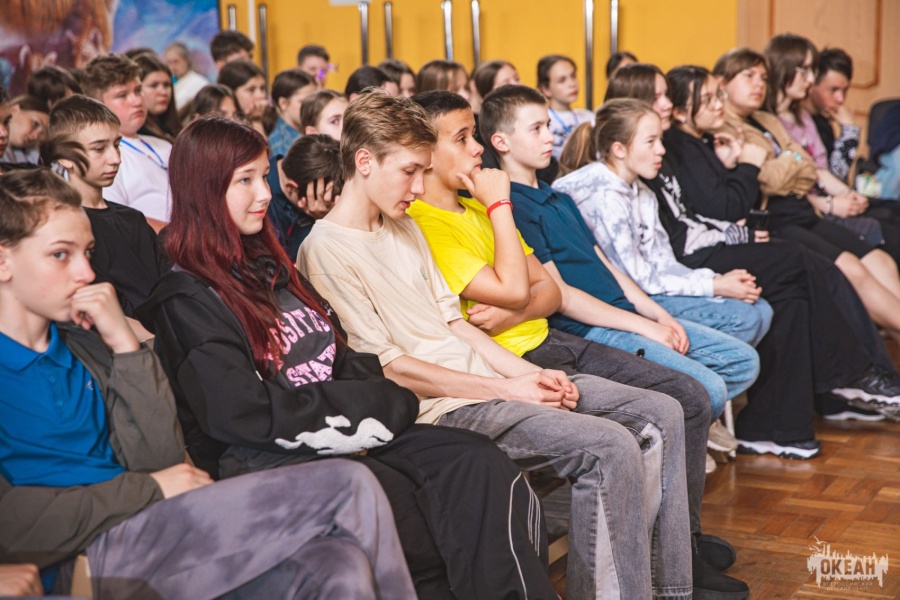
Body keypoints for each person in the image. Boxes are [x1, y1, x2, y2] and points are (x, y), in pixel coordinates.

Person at [136, 116, 556, 599]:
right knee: (434, 516)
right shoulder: (188, 298)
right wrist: (354, 419)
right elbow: (239, 414)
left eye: (263, 177)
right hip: (276, 456)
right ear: (205, 190)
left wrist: (382, 405)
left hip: (350, 429)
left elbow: (343, 355)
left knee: (479, 464)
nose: (265, 194)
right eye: (244, 181)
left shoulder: (271, 268)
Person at [299, 91, 696, 600]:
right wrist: (509, 389)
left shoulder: (403, 225)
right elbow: (390, 368)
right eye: (409, 171)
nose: (418, 186)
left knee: (659, 412)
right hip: (442, 407)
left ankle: (671, 589)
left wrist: (527, 376)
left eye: (422, 170)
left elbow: (457, 325)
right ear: (364, 161)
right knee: (610, 448)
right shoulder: (325, 249)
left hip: (487, 384)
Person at [0, 168, 418, 600]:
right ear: (3, 261)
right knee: (349, 485)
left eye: (87, 253)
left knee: (337, 566)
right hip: (85, 554)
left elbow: (157, 459)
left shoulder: (87, 349)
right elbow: (11, 523)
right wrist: (149, 490)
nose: (86, 273)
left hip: (145, 525)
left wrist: (126, 346)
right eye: (60, 255)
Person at [409, 89, 747, 598]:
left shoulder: (477, 209)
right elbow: (518, 290)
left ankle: (678, 556)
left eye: (474, 135)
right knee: (666, 409)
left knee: (688, 398)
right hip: (516, 359)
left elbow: (547, 292)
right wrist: (501, 210)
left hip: (550, 337)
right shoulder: (432, 221)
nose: (476, 148)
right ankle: (671, 569)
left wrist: (516, 302)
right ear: (426, 152)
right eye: (462, 138)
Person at [607, 62, 898, 424]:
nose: (667, 104)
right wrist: (749, 168)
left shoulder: (684, 146)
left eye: (667, 95)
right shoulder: (666, 152)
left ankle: (783, 422)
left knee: (803, 286)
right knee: (802, 262)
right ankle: (853, 377)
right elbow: (714, 215)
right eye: (659, 97)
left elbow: (803, 167)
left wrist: (756, 173)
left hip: (723, 241)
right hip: (698, 261)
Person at [710, 48, 900, 342]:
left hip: (804, 210)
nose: (759, 83)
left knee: (880, 260)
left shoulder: (766, 120)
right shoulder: (723, 128)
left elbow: (809, 166)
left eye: (763, 77)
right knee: (852, 268)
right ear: (722, 82)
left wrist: (787, 163)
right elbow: (768, 180)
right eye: (749, 76)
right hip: (778, 219)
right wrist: (792, 162)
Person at [45, 94, 167, 335]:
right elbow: (96, 312)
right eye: (99, 149)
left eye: (117, 145)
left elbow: (167, 288)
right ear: (65, 157)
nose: (115, 158)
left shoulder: (133, 219)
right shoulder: (63, 229)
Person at [82, 54, 171, 231]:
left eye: (138, 90)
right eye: (122, 95)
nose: (137, 101)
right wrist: (180, 236)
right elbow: (118, 220)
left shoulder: (164, 145)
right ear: (98, 105)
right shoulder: (102, 159)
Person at [268, 134, 341, 259]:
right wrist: (322, 222)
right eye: (326, 200)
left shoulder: (302, 171)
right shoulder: (262, 204)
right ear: (290, 188)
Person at [803, 47, 859, 184]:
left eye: (844, 90)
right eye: (833, 90)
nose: (841, 99)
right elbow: (831, 180)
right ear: (812, 85)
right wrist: (849, 132)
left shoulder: (823, 121)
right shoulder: (797, 122)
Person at [538, 55, 595, 159]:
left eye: (573, 76)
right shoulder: (541, 119)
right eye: (562, 80)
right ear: (546, 89)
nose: (572, 84)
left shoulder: (589, 117)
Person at [269, 69, 317, 156]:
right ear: (283, 103)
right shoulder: (280, 144)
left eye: (314, 101)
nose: (312, 106)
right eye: (305, 101)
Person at [134, 53, 181, 141]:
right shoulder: (135, 135)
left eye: (166, 85)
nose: (163, 92)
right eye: (154, 85)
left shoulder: (176, 130)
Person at [218, 59, 269, 136]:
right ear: (231, 92)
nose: (261, 96)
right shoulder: (222, 125)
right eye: (251, 90)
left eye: (262, 88)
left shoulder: (271, 120)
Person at [2, 95, 49, 165]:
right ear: (14, 110)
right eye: (35, 124)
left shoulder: (29, 158)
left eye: (42, 134)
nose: (35, 136)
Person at [164, 41, 210, 110]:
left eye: (176, 62)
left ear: (186, 60)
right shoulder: (170, 84)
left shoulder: (200, 83)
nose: (172, 67)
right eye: (169, 63)